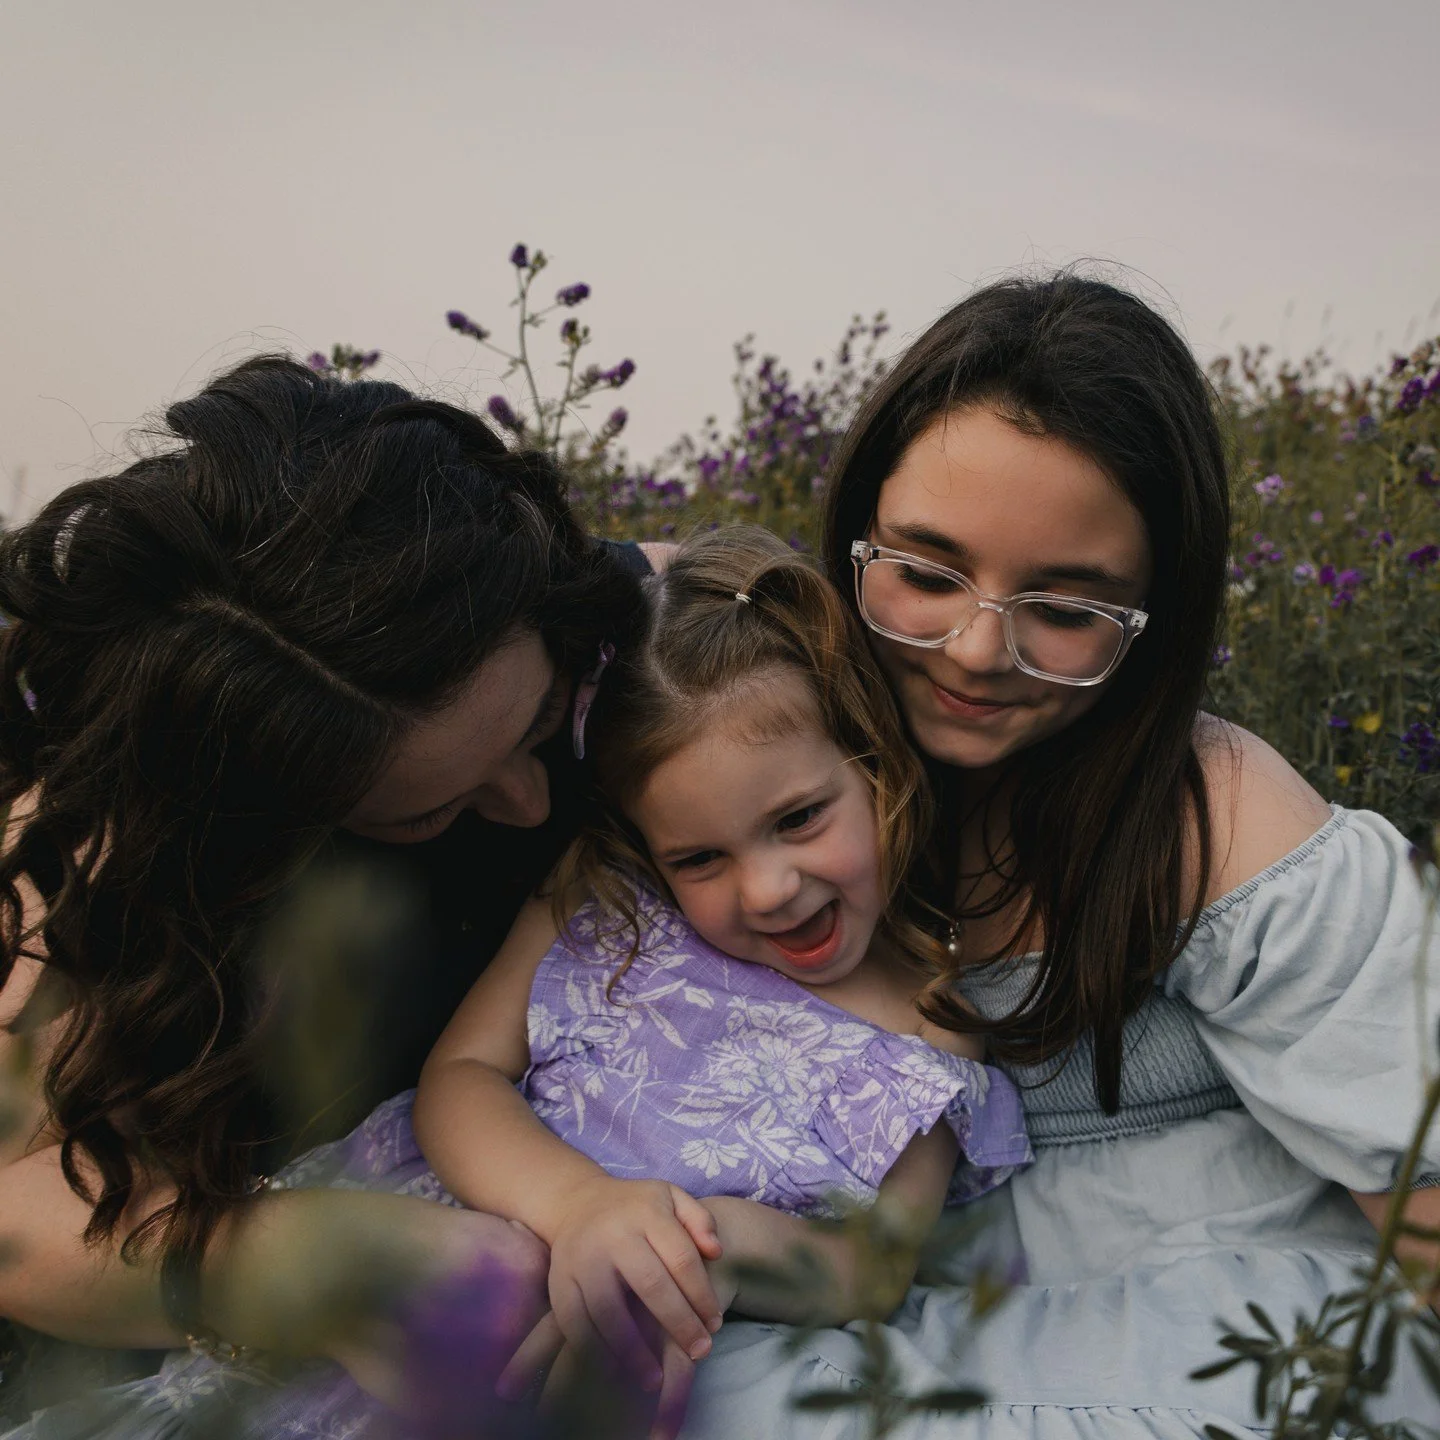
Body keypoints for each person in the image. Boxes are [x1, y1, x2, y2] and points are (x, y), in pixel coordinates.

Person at [674, 272, 1440, 1435]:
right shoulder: (770, 752)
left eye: (1067, 609)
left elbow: (1419, 1191)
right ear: (852, 546)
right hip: (876, 1306)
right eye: (926, 575)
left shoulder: (1212, 812)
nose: (979, 651)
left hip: (1215, 1311)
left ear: (1157, 618)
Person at [0, 354, 658, 1427]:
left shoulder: (622, 628)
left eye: (547, 723)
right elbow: (11, 1209)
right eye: (424, 813)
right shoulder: (98, 843)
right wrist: (313, 1258)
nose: (535, 806)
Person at [411, 525, 1032, 1429]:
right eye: (700, 857)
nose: (770, 888)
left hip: (648, 1330)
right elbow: (458, 1076)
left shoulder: (929, 1007)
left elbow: (875, 1266)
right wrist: (578, 1205)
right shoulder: (606, 901)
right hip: (454, 1263)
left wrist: (713, 1250)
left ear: (874, 764)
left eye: (800, 817)